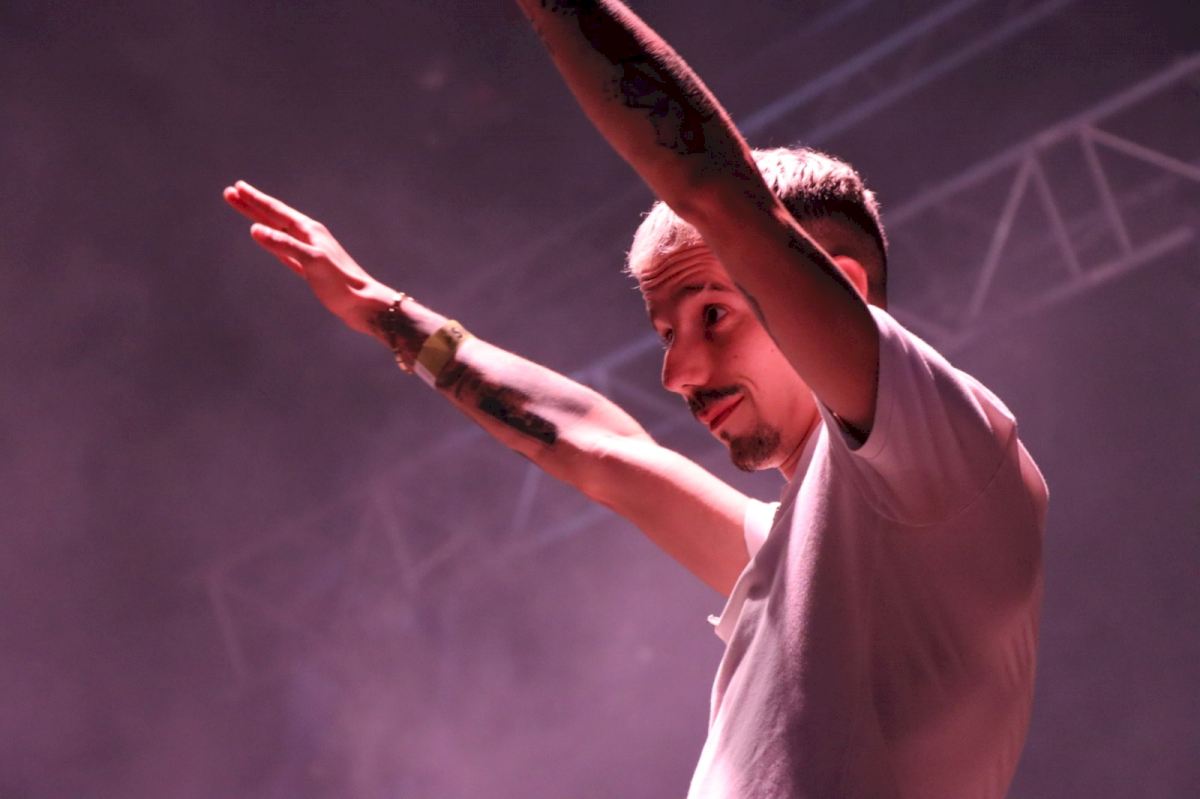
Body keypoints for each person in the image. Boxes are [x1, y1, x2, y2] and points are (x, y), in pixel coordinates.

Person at [224, 1, 1048, 795]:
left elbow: (713, 189)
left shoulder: (947, 457)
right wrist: (383, 311)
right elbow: (593, 445)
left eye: (712, 314)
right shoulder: (807, 549)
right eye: (665, 335)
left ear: (843, 288)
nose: (677, 373)